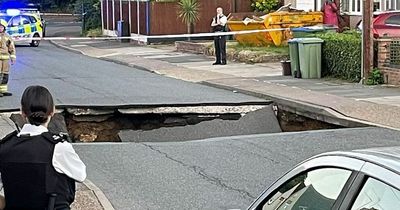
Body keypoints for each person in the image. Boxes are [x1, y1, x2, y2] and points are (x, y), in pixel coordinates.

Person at [0, 85, 86, 210]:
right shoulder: (58, 147)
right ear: (52, 111)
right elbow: (81, 175)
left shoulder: (5, 146)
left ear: (22, 112)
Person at [0, 19, 16, 97]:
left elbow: (11, 48)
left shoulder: (7, 37)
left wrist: (13, 58)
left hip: (5, 60)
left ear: (4, 28)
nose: (0, 28)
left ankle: (3, 90)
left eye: (1, 26)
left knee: (5, 74)